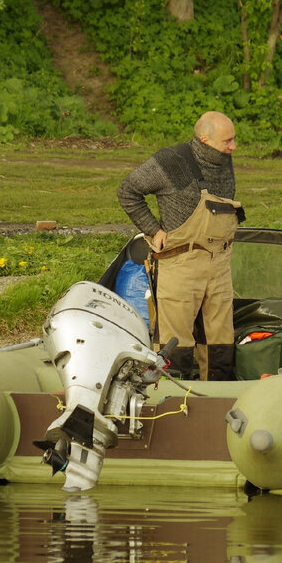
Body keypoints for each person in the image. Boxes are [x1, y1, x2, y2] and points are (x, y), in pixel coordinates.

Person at [117, 110, 243, 380]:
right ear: (204, 139)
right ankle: (173, 405)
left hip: (219, 265)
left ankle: (216, 402)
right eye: (227, 141)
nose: (234, 147)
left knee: (220, 342)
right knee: (177, 346)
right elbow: (128, 191)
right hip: (180, 265)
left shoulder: (222, 160)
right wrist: (153, 229)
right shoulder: (171, 161)